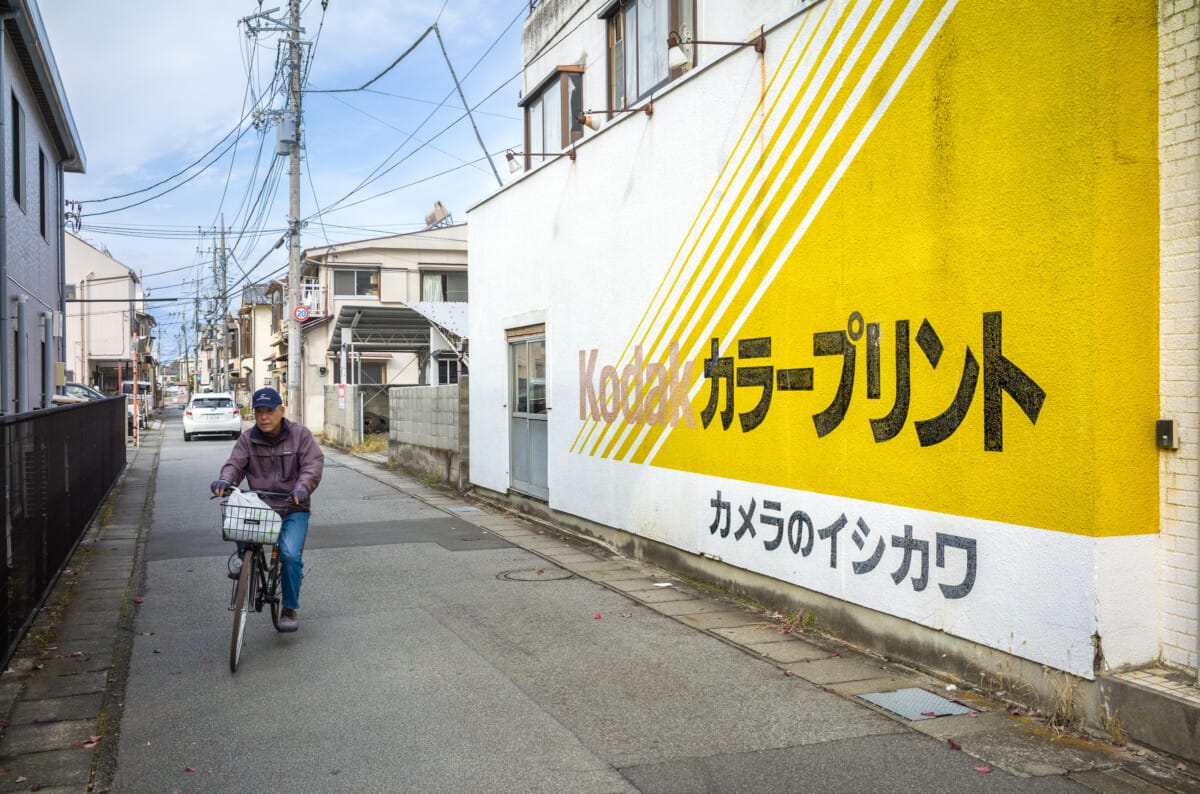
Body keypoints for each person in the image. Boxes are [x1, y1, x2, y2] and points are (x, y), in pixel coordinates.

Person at [211, 387, 324, 632]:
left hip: (293, 506)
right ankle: (245, 560)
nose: (264, 417)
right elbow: (235, 464)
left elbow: (312, 465)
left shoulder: (300, 435)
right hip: (260, 506)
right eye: (259, 411)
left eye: (269, 411)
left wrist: (302, 488)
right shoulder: (247, 438)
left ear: (281, 411)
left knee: (290, 555)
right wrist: (225, 480)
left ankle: (289, 607)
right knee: (237, 519)